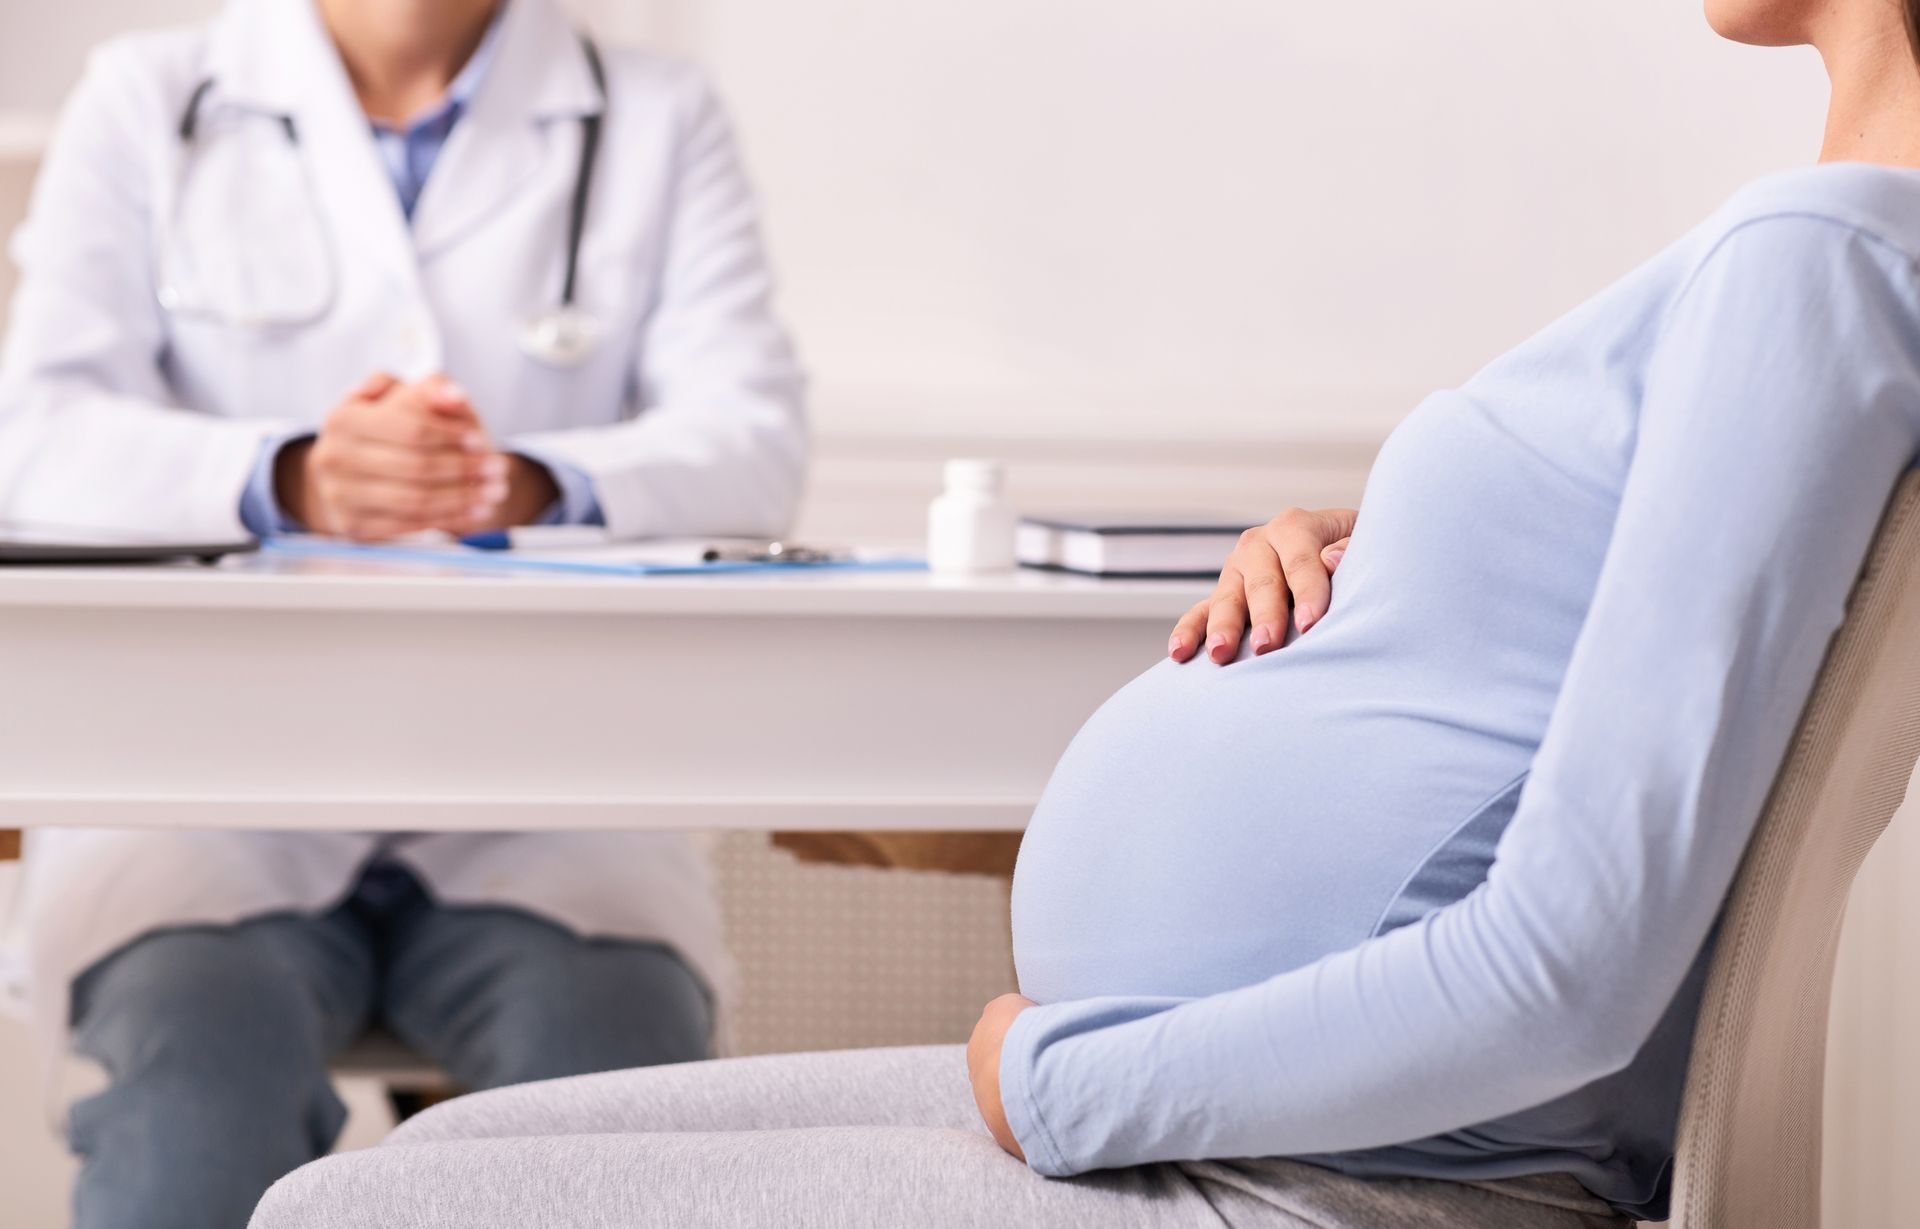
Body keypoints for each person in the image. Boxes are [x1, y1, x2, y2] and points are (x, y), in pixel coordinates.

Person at [248, 0, 1920, 1225]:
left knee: (345, 1215)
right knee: (421, 1161)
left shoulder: (1820, 259)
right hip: (1292, 1121)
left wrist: (1062, 1082)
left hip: (1327, 1165)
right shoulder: (1813, 263)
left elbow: (1569, 966)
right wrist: (1401, 538)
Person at [0, 0, 802, 1226]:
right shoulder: (145, 95)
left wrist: (530, 480)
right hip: (210, 788)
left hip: (538, 792)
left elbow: (752, 441)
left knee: (618, 1091)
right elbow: (37, 437)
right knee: (194, 1103)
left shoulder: (657, 111)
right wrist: (291, 475)